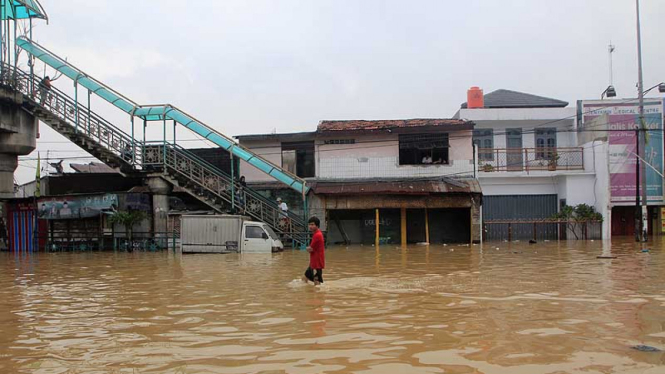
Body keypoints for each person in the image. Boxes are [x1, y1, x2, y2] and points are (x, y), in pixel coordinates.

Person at [303, 216, 325, 285]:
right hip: (315, 261)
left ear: (317, 225)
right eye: (309, 224)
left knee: (316, 280)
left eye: (312, 224)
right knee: (306, 277)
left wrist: (306, 248)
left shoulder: (317, 235)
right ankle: (313, 293)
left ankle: (317, 294)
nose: (310, 226)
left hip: (316, 262)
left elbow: (310, 249)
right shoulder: (317, 233)